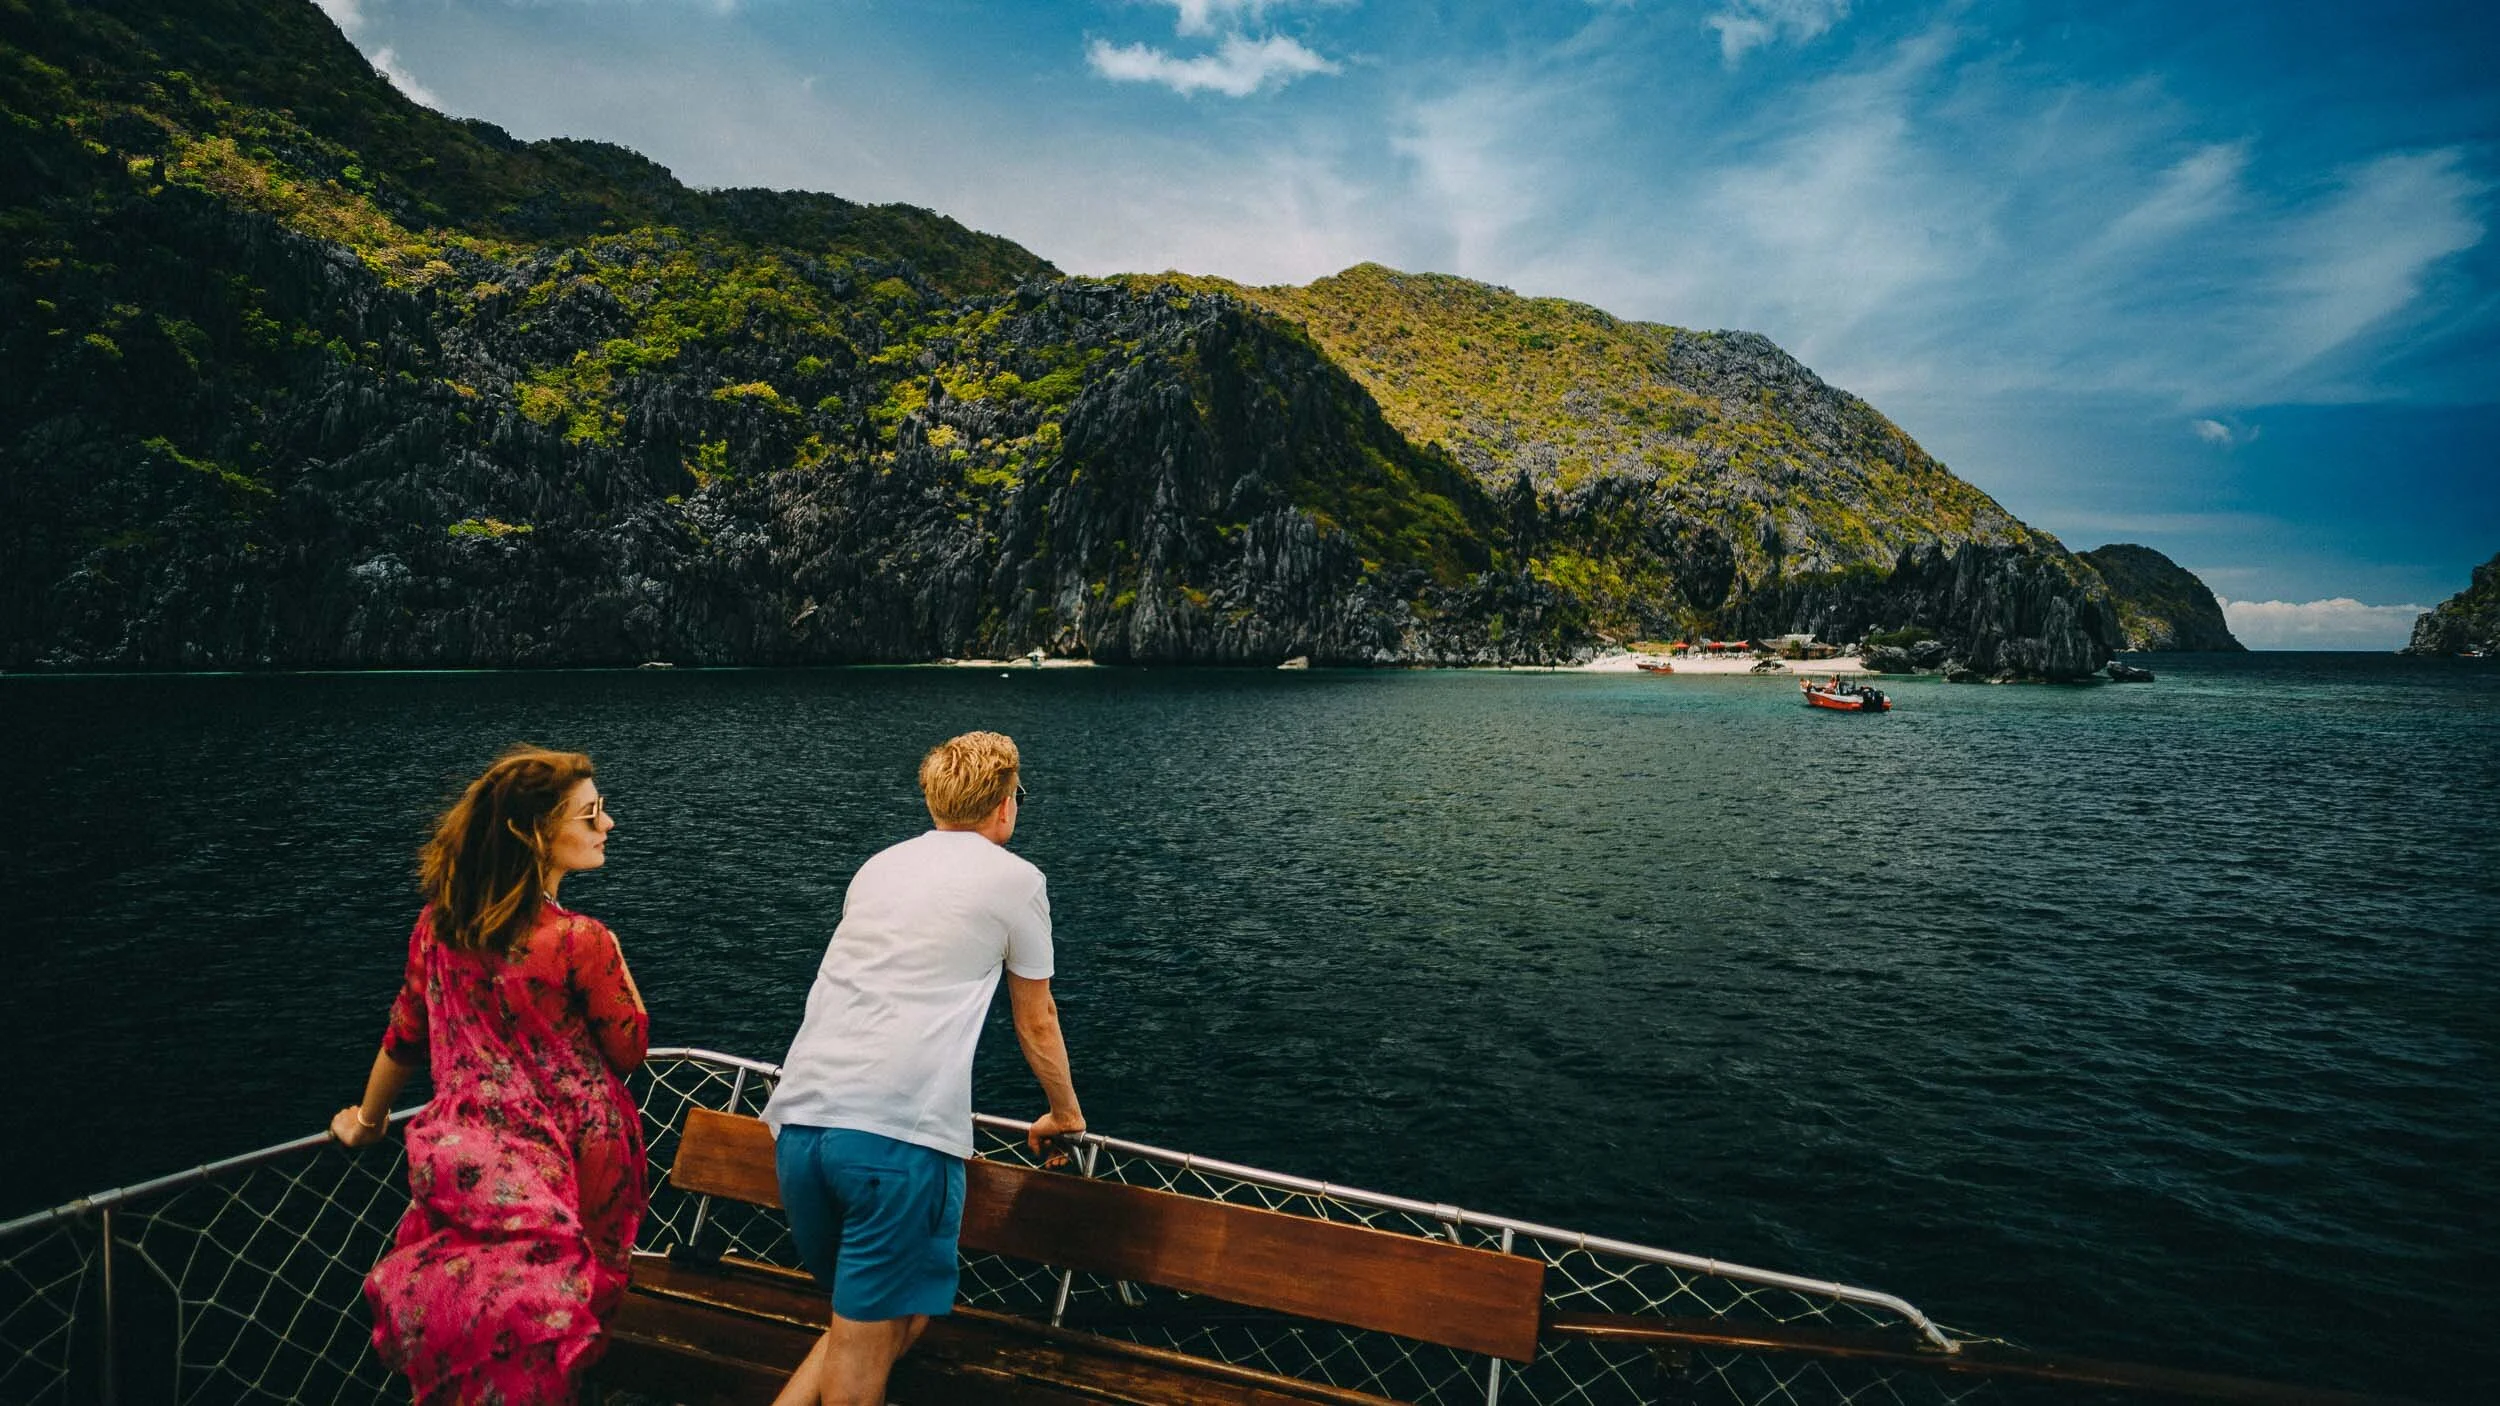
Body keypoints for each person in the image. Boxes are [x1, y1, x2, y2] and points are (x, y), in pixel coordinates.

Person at [762, 731, 1085, 1406]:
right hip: (895, 1139)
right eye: (1017, 795)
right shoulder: (1018, 881)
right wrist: (1065, 1113)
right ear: (1003, 805)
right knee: (863, 1356)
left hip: (799, 1127)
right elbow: (1037, 1019)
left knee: (878, 1321)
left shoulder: (878, 867)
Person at [328, 745, 649, 1405]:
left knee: (486, 1308)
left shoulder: (436, 929)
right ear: (535, 835)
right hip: (581, 1153)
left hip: (477, 1156)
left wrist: (367, 1122)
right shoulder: (580, 940)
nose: (607, 825)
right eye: (590, 816)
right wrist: (614, 957)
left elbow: (404, 1037)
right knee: (569, 1315)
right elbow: (629, 1047)